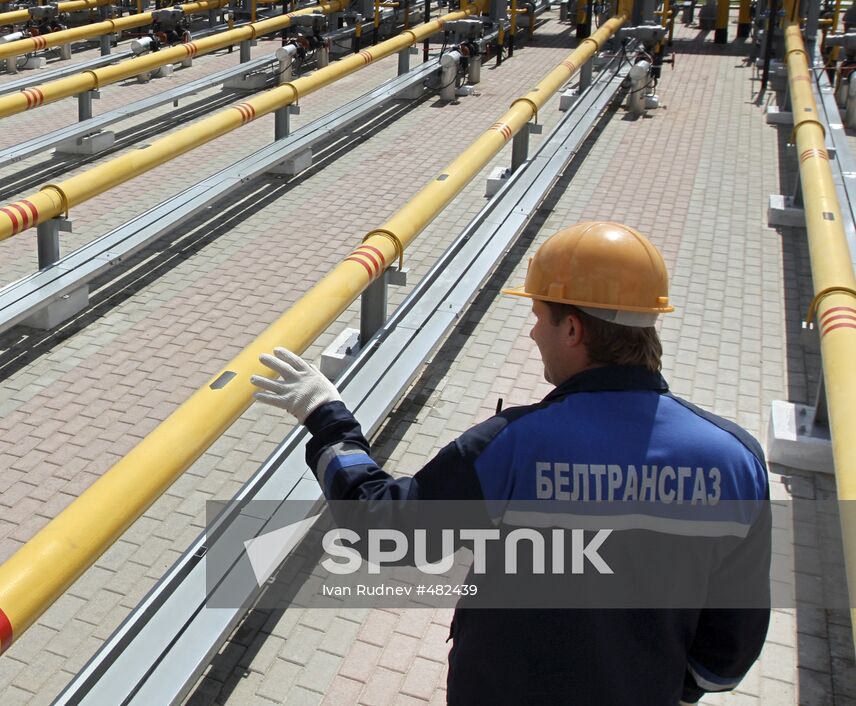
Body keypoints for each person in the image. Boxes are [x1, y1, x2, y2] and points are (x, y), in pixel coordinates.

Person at [252, 221, 770, 706]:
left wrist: (326, 418)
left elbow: (386, 528)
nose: (532, 335)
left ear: (572, 329)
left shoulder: (517, 445)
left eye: (538, 318)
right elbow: (728, 650)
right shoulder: (736, 459)